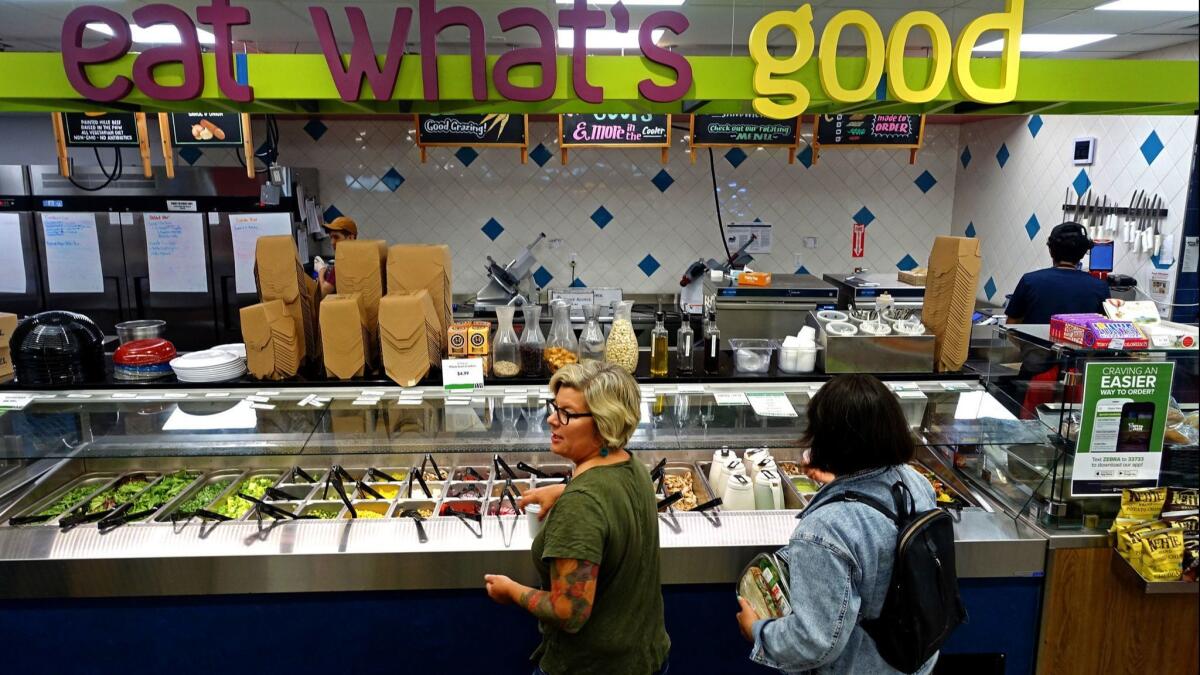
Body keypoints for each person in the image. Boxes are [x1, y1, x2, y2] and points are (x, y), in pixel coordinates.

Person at [735, 374, 938, 675]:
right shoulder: (915, 482)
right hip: (912, 662)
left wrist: (759, 632)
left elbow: (815, 642)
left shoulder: (824, 530)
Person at [484, 361, 670, 675]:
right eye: (554, 408)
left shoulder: (580, 507)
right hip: (647, 656)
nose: (551, 419)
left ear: (603, 422)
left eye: (566, 413)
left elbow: (568, 611)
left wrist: (510, 590)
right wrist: (564, 489)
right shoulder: (633, 467)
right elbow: (608, 494)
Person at [1004, 221, 1109, 413]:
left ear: (1051, 250)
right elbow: (1102, 335)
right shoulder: (1099, 287)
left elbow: (1011, 328)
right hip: (1078, 376)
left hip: (1034, 372)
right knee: (1070, 429)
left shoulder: (1031, 280)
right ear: (1083, 252)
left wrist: (1030, 350)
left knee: (1029, 429)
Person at [1005, 221, 1109, 326]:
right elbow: (1104, 329)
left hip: (1033, 343)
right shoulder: (1100, 287)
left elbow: (1011, 325)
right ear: (1082, 254)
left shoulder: (1029, 281)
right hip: (1080, 343)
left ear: (1050, 250)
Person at [314, 215, 358, 296]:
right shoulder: (360, 256)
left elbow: (324, 291)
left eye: (336, 237)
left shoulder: (343, 262)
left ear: (351, 238)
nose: (332, 242)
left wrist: (321, 269)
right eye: (331, 237)